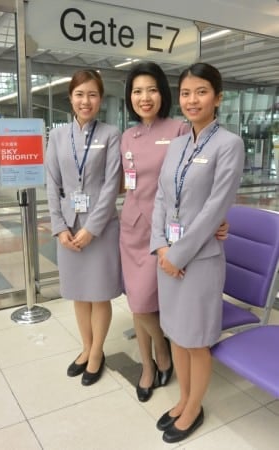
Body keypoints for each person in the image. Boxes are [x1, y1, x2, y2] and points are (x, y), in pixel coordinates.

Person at [120, 61, 228, 402]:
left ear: (163, 94)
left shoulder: (180, 130)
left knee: (145, 305)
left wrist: (220, 221)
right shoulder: (127, 136)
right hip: (136, 231)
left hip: (171, 235)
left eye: (151, 89)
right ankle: (149, 367)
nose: (145, 97)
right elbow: (125, 184)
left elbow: (202, 190)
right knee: (137, 304)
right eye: (137, 91)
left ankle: (163, 359)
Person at [150, 62, 245, 443]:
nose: (192, 100)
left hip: (198, 261)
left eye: (201, 92)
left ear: (218, 98)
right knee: (175, 334)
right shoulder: (175, 143)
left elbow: (214, 210)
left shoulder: (229, 144)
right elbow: (160, 196)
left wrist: (178, 254)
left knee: (196, 339)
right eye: (186, 93)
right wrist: (160, 244)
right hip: (167, 256)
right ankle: (183, 398)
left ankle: (194, 407)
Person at [46, 69, 123, 386]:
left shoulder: (110, 134)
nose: (85, 101)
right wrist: (59, 226)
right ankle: (86, 347)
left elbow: (110, 186)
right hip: (68, 228)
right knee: (79, 294)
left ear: (100, 99)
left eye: (92, 94)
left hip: (100, 229)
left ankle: (97, 353)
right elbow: (52, 183)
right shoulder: (58, 136)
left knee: (99, 293)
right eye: (80, 94)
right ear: (71, 98)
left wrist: (92, 227)